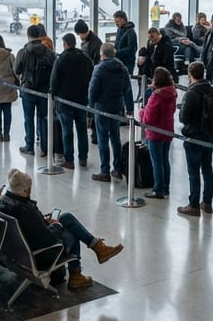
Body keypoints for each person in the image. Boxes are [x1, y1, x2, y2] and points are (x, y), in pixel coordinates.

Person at [0, 168, 123, 290]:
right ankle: (77, 274)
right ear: (25, 190)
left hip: (18, 253)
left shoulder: (4, 203)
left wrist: (43, 220)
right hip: (39, 255)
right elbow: (49, 238)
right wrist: (56, 225)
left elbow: (31, 227)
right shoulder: (26, 210)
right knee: (73, 234)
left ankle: (97, 247)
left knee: (66, 217)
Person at [177, 62, 213, 216]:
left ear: (190, 75)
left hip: (194, 136)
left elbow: (183, 117)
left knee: (193, 172)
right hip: (209, 135)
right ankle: (207, 202)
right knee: (207, 167)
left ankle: (193, 204)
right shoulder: (212, 89)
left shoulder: (191, 93)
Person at [88, 43, 133, 183]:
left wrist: (91, 106)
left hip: (102, 107)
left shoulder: (99, 68)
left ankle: (104, 171)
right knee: (115, 138)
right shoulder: (122, 67)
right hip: (117, 106)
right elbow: (127, 88)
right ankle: (117, 169)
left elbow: (92, 89)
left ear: (103, 54)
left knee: (102, 139)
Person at [50, 33, 93, 169]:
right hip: (81, 99)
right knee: (82, 130)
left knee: (67, 131)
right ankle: (83, 158)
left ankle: (69, 160)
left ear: (65, 44)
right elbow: (91, 77)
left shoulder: (61, 59)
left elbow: (55, 80)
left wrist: (53, 94)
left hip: (65, 100)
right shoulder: (86, 59)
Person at [14, 24, 57, 156]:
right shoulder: (48, 51)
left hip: (28, 90)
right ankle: (44, 147)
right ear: (40, 35)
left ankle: (29, 146)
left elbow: (17, 70)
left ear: (28, 36)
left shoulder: (23, 52)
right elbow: (55, 69)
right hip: (44, 91)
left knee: (28, 118)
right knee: (43, 118)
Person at [140, 67, 177, 200]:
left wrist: (141, 112)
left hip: (155, 133)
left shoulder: (156, 97)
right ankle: (166, 188)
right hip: (168, 130)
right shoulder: (172, 93)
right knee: (165, 160)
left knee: (156, 162)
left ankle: (158, 189)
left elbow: (148, 119)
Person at [112, 10, 138, 75]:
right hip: (118, 61)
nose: (116, 24)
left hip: (128, 63)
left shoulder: (131, 32)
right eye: (115, 22)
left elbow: (132, 49)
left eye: (117, 21)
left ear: (123, 19)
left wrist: (117, 52)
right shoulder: (119, 30)